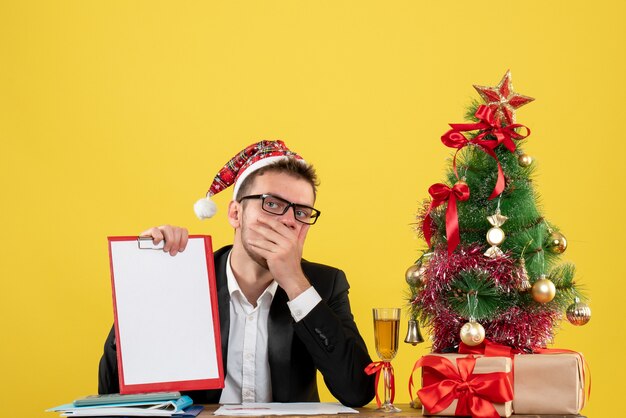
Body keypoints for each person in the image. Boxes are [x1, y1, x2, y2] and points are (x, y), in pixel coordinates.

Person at [98, 140, 375, 407]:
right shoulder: (185, 278)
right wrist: (143, 278)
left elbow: (357, 391)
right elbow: (112, 392)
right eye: (273, 204)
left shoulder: (324, 285)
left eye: (301, 212)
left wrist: (294, 282)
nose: (289, 221)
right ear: (235, 214)